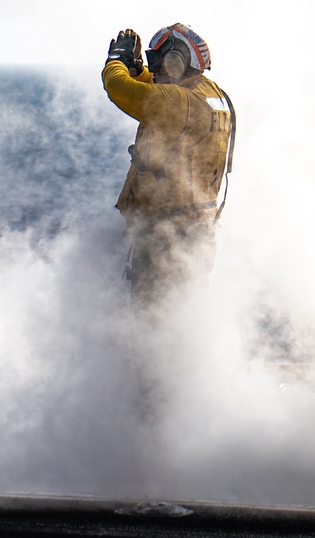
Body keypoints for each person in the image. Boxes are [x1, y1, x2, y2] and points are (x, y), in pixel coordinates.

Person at [102, 25, 235, 388]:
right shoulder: (211, 96)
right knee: (180, 325)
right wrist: (142, 72)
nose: (156, 69)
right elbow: (161, 91)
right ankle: (182, 405)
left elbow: (122, 90)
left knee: (151, 336)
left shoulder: (179, 103)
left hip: (164, 239)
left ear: (178, 62)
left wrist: (116, 64)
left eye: (160, 62)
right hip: (195, 234)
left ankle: (152, 412)